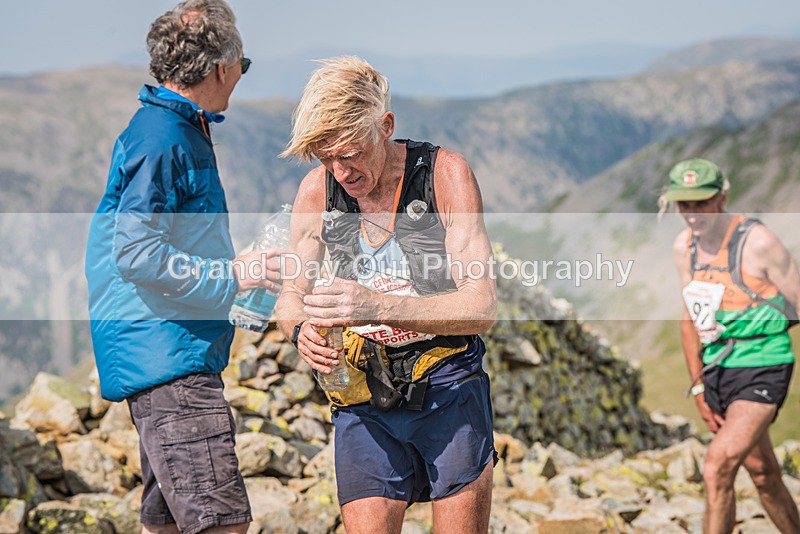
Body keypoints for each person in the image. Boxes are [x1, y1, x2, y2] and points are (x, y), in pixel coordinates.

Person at [275, 56, 497, 533]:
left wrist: (377, 306)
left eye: (350, 154)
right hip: (361, 390)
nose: (340, 172)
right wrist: (299, 331)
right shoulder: (317, 191)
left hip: (447, 384)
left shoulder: (445, 176)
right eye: (326, 158)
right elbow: (290, 295)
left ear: (386, 126)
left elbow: (481, 306)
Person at [85, 2, 279, 533]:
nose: (240, 76)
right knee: (221, 522)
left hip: (160, 356)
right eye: (244, 65)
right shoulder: (165, 138)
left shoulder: (166, 128)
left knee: (169, 524)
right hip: (172, 361)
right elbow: (137, 254)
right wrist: (235, 276)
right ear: (220, 67)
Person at [664, 158, 800, 533]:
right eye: (684, 204)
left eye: (702, 203)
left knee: (717, 466)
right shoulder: (684, 247)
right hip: (717, 369)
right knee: (763, 474)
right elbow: (689, 317)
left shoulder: (758, 242)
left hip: (764, 363)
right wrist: (698, 386)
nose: (692, 214)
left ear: (722, 197)